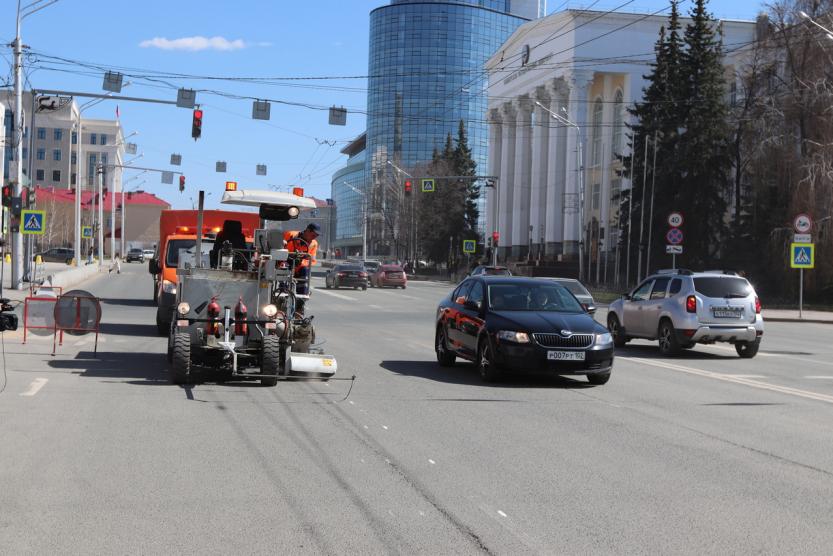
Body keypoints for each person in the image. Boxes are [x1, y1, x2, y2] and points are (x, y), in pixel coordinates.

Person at [284, 222, 320, 304]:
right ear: (307, 231)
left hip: (300, 267)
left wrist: (301, 261)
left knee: (305, 271)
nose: (314, 237)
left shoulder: (314, 244)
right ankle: (281, 296)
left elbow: (312, 260)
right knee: (283, 269)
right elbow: (280, 249)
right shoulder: (290, 235)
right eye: (313, 235)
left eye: (316, 236)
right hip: (287, 263)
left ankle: (300, 303)